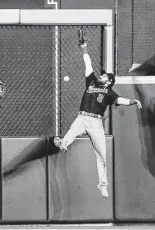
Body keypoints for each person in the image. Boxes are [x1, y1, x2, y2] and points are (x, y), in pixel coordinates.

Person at [53, 29, 142, 198]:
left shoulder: (110, 93)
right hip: (82, 116)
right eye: (101, 75)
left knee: (101, 153)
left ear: (109, 81)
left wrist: (133, 101)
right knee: (70, 133)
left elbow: (121, 100)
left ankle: (103, 184)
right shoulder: (91, 81)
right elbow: (88, 64)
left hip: (95, 122)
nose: (100, 76)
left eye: (104, 76)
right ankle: (63, 143)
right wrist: (84, 47)